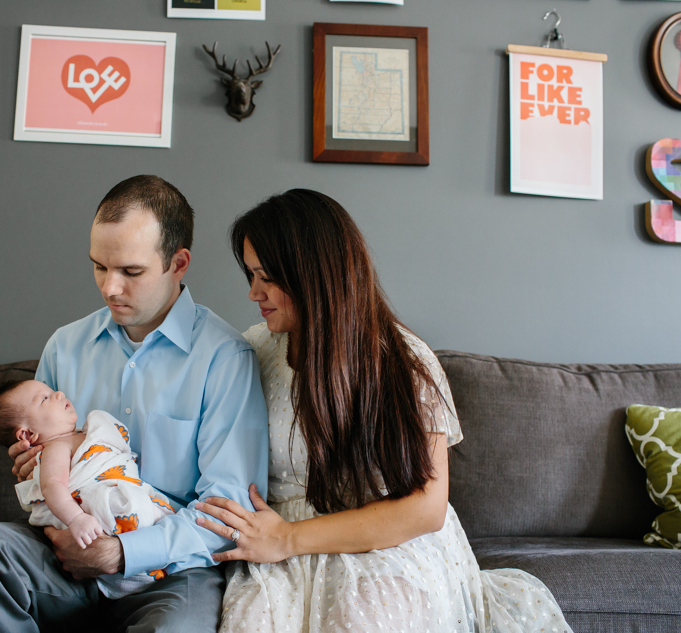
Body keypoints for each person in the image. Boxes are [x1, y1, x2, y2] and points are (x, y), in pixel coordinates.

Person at [194, 189, 573, 632]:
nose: (253, 292)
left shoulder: (403, 361)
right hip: (275, 546)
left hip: (382, 540)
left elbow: (426, 508)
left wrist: (290, 539)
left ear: (314, 276)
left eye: (266, 277)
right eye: (251, 274)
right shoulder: (253, 350)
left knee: (366, 617)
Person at [0, 175, 269, 632]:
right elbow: (39, 472)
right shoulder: (65, 346)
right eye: (99, 267)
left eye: (130, 271)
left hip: (170, 570)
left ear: (178, 263)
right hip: (65, 550)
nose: (109, 288)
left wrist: (122, 552)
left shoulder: (225, 357)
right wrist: (36, 477)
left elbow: (226, 513)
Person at [0, 379, 174, 567]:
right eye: (45, 398)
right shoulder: (55, 448)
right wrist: (76, 518)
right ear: (28, 434)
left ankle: (153, 542)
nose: (59, 393)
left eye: (52, 391)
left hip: (126, 485)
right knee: (131, 509)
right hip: (97, 505)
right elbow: (52, 486)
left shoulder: (85, 433)